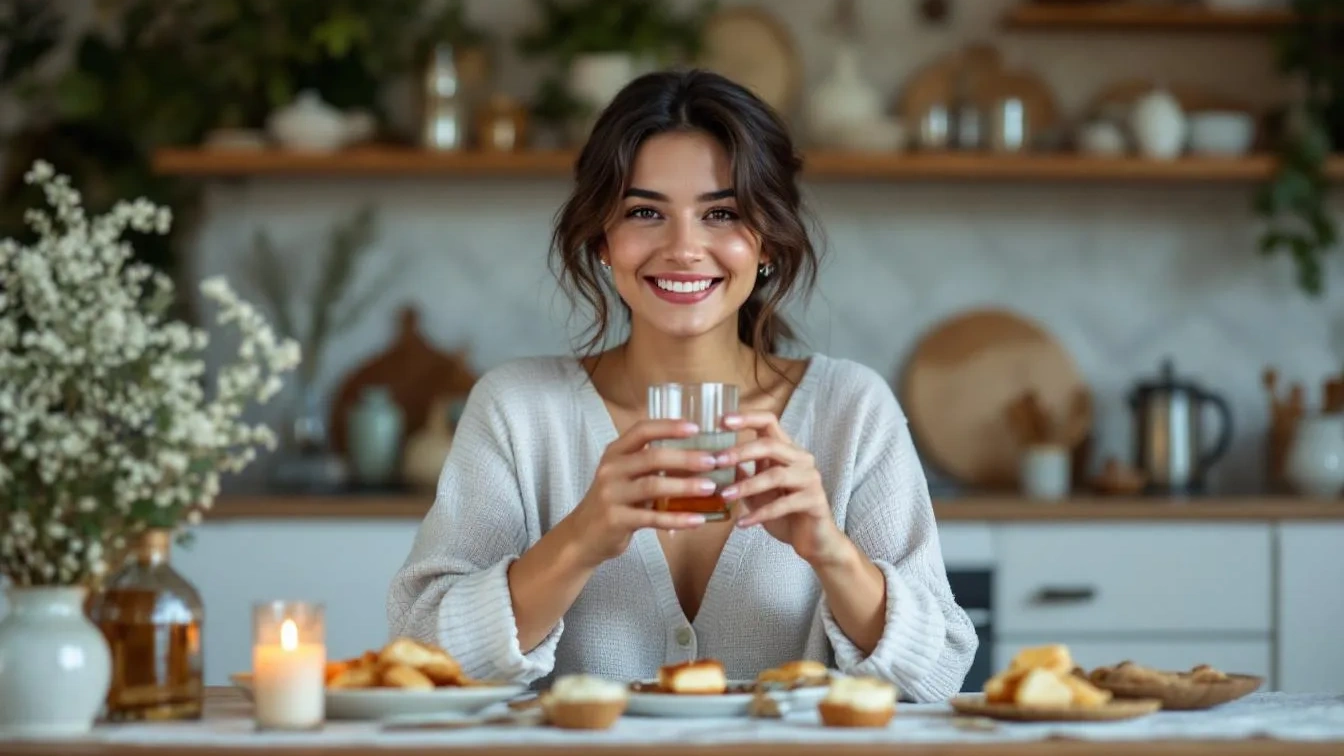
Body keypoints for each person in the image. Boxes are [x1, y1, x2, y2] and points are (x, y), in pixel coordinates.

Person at [386, 69, 977, 702]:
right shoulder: (517, 409)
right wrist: (579, 540)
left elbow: (939, 674)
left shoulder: (851, 410)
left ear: (768, 240)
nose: (684, 248)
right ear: (602, 240)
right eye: (645, 212)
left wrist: (830, 550)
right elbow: (422, 658)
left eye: (721, 213)